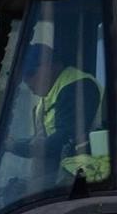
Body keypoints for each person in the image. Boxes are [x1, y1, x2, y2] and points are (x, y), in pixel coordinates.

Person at [14, 37, 109, 185]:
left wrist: (15, 147)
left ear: (52, 64)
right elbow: (41, 140)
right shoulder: (47, 99)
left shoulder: (79, 87)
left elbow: (63, 140)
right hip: (65, 173)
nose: (27, 81)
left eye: (31, 73)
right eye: (23, 77)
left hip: (89, 175)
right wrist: (12, 144)